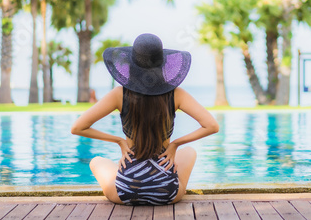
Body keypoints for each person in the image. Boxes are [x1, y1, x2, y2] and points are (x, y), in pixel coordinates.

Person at [71, 33, 219, 205]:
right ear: (162, 64)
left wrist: (119, 141)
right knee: (190, 152)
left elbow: (77, 128)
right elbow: (212, 126)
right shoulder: (176, 94)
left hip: (124, 192)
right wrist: (175, 145)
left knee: (97, 161)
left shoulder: (120, 94)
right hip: (167, 193)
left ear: (132, 65)